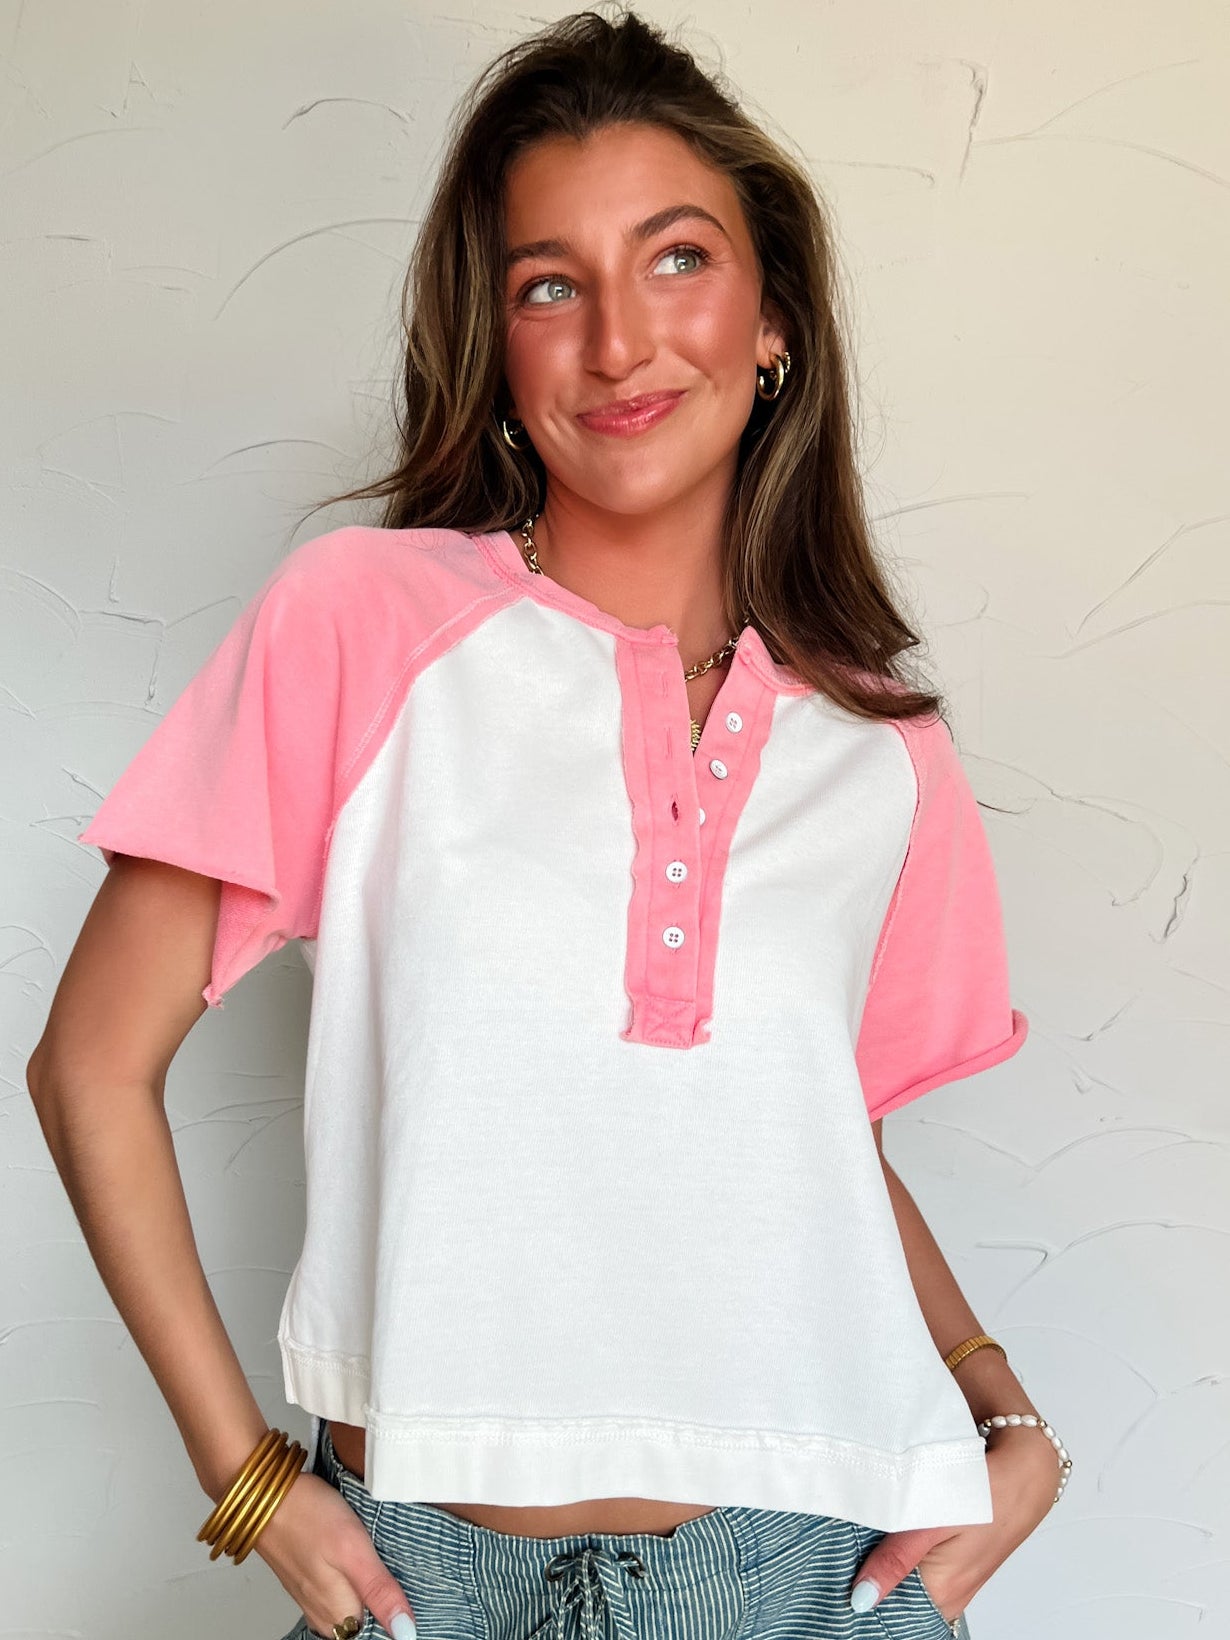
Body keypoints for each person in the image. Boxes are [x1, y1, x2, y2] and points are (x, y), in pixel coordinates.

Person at [27, 9, 1070, 1640]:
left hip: (800, 1572)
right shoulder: (361, 626)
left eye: (675, 261)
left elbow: (824, 1148)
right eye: (546, 285)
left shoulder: (884, 749)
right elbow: (88, 1065)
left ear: (772, 317)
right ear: (501, 345)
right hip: (422, 1575)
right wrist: (244, 1476)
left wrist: (1007, 1421)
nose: (617, 343)